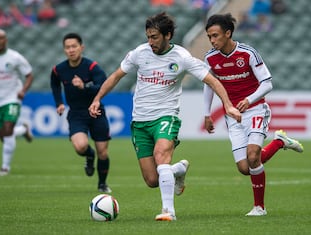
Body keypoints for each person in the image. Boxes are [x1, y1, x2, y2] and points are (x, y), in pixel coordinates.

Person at [89, 12, 241, 221]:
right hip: (140, 122)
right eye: (148, 37)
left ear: (167, 35)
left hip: (166, 117)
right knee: (152, 179)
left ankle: (168, 211)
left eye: (155, 37)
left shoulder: (182, 57)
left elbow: (212, 80)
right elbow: (116, 76)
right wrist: (97, 99)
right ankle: (178, 170)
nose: (150, 42)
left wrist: (228, 105)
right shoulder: (139, 53)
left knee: (161, 155)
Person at [203, 13, 304, 216]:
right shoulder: (210, 58)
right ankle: (279, 142)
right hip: (233, 115)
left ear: (228, 33)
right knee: (244, 167)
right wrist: (207, 114)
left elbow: (267, 83)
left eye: (215, 35)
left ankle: (260, 207)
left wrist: (249, 99)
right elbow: (209, 86)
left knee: (252, 156)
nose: (212, 40)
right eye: (209, 37)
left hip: (256, 109)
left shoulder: (248, 53)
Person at [50, 33, 112, 193]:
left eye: (74, 46)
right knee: (80, 146)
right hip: (76, 113)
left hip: (95, 111)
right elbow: (55, 84)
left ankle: (102, 184)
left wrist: (84, 86)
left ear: (81, 47)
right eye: (67, 47)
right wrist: (59, 103)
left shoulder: (92, 67)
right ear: (64, 50)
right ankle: (89, 156)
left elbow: (103, 85)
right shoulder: (59, 69)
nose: (71, 50)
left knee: (103, 152)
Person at [0, 29, 34, 176]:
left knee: (8, 128)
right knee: (3, 136)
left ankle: (5, 168)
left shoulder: (15, 57)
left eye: (1, 38)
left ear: (6, 40)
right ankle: (23, 130)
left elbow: (29, 75)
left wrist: (23, 91)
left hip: (12, 98)